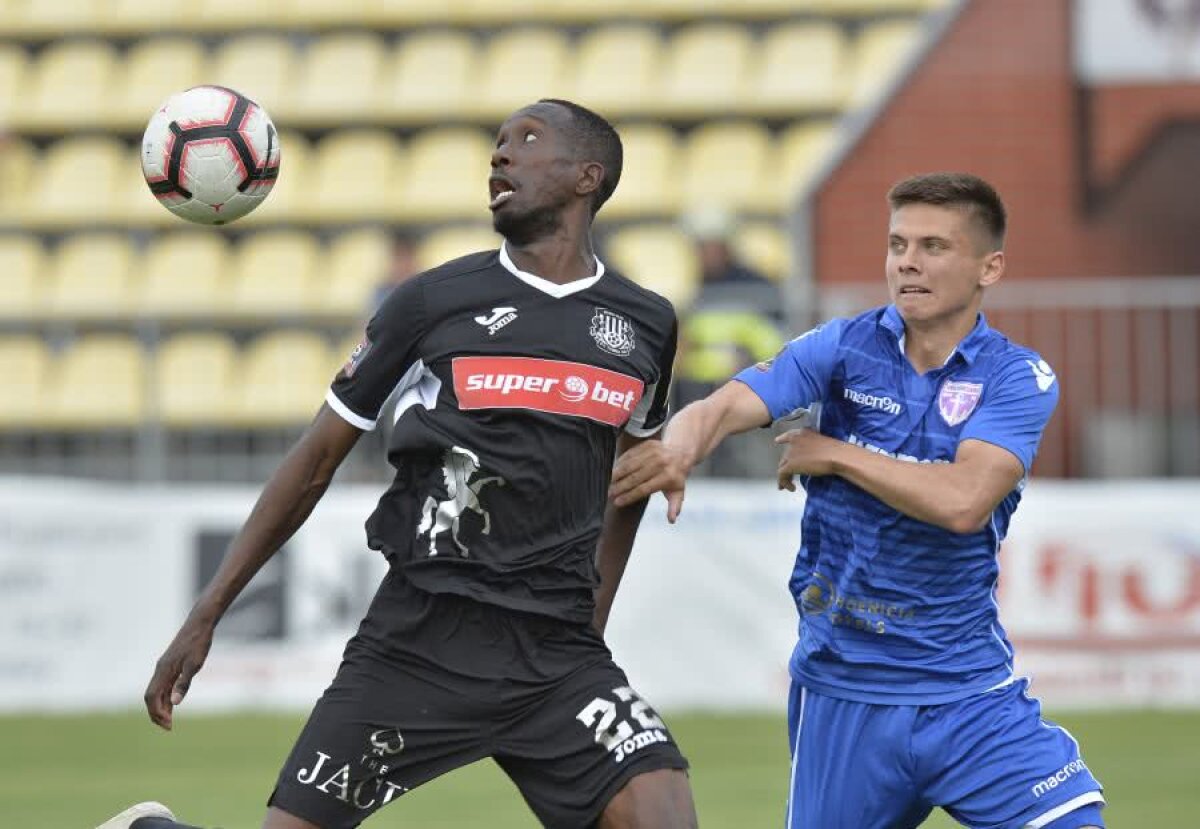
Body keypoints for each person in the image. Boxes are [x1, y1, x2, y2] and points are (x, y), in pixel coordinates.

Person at [98, 99, 696, 829]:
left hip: (557, 656)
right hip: (421, 642)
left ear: (586, 176)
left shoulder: (646, 322)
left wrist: (590, 623)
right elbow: (316, 460)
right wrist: (207, 610)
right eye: (497, 143)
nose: (499, 155)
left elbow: (628, 483)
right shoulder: (432, 302)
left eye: (526, 141)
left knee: (664, 812)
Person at [610, 173, 1106, 829]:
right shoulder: (845, 347)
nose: (908, 261)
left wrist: (835, 453)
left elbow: (964, 501)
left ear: (990, 266)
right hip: (845, 691)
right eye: (898, 243)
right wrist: (679, 448)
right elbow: (726, 403)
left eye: (934, 246)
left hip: (964, 691)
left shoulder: (1014, 376)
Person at [674, 208, 784, 477]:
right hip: (697, 383)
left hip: (745, 382)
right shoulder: (700, 288)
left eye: (709, 246)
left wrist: (748, 361)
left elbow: (774, 339)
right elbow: (691, 339)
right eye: (700, 247)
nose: (704, 254)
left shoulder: (756, 287)